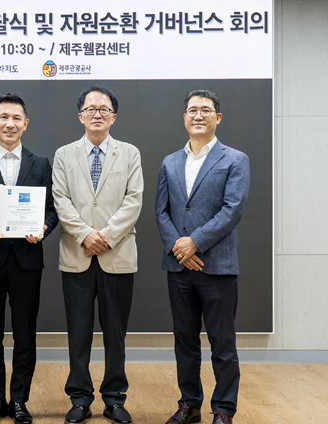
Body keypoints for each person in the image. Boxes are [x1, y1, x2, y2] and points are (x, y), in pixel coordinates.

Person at [155, 90, 250, 424]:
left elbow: (232, 210)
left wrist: (194, 243)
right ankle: (189, 405)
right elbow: (162, 211)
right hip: (179, 268)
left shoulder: (235, 159)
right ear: (184, 118)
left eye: (205, 110)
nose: (198, 115)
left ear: (217, 118)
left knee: (222, 343)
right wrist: (179, 248)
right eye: (192, 110)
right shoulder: (170, 162)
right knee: (185, 341)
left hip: (217, 266)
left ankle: (223, 409)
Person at [0, 93, 58, 424]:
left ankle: (19, 400)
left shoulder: (41, 163)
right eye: (4, 117)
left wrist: (43, 228)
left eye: (16, 118)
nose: (10, 124)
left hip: (26, 259)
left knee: (25, 334)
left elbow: (51, 210)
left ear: (26, 124)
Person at [51, 86, 143, 424]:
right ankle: (79, 398)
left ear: (113, 117)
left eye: (104, 109)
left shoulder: (129, 153)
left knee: (116, 334)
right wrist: (85, 235)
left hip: (117, 255)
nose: (97, 114)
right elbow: (60, 200)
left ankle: (115, 399)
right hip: (76, 254)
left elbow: (134, 200)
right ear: (80, 116)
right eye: (91, 109)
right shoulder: (64, 154)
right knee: (78, 333)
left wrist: (105, 236)